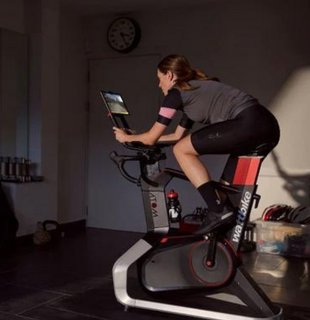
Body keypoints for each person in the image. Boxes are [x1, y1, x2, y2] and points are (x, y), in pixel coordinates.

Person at [113, 54, 280, 234]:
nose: (159, 85)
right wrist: (139, 137)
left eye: (159, 79)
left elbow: (152, 138)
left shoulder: (176, 93)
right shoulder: (193, 93)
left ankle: (218, 211)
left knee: (182, 151)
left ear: (169, 75)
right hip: (267, 127)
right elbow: (177, 136)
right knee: (224, 189)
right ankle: (228, 233)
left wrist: (127, 138)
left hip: (247, 123)